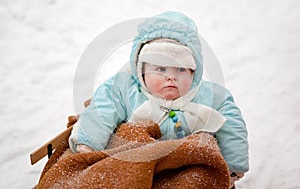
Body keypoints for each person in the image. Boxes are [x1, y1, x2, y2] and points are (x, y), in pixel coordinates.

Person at [69, 11, 249, 187]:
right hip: (140, 162)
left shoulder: (211, 95)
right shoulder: (124, 89)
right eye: (161, 69)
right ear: (141, 70)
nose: (171, 77)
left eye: (180, 69)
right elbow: (102, 110)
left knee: (198, 174)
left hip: (187, 165)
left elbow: (232, 123)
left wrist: (234, 163)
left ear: (194, 72)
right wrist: (88, 143)